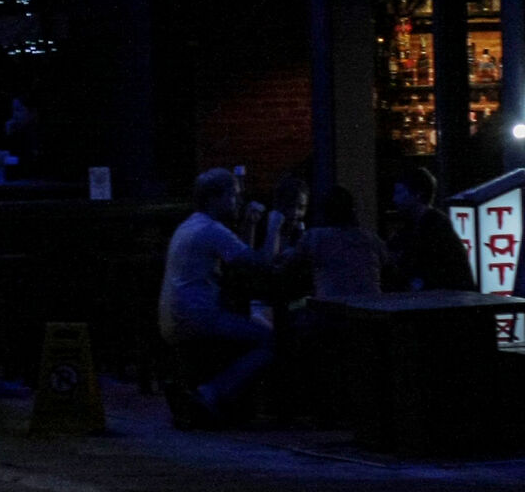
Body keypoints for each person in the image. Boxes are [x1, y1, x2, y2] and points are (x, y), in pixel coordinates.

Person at [157, 168, 275, 427]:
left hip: (175, 316)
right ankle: (212, 393)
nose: (238, 200)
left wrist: (250, 225)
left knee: (251, 329)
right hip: (197, 316)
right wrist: (275, 224)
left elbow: (238, 257)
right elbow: (260, 263)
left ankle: (211, 394)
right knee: (271, 340)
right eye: (233, 195)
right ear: (215, 198)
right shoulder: (211, 230)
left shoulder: (190, 225)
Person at [284, 185, 389, 300]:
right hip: (372, 309)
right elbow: (388, 266)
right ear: (352, 210)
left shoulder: (315, 237)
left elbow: (285, 264)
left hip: (333, 309)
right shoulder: (372, 239)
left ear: (324, 211)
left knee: (296, 306)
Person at [389, 167, 476, 292]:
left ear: (418, 194)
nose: (395, 199)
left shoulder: (435, 226)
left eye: (400, 192)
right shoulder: (426, 224)